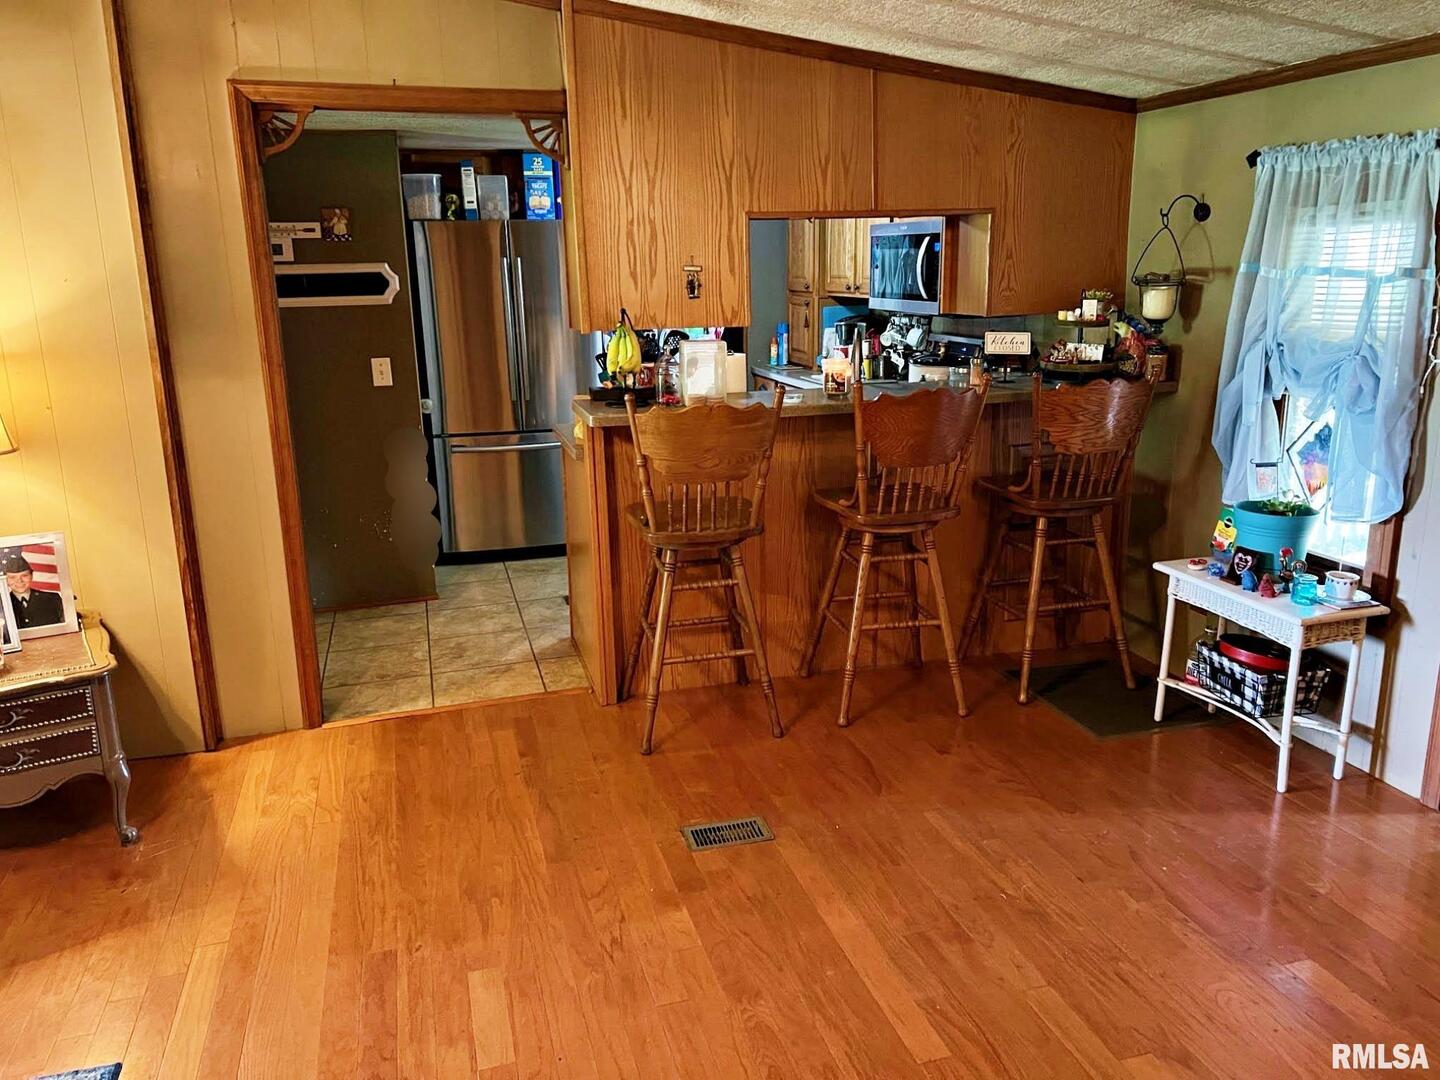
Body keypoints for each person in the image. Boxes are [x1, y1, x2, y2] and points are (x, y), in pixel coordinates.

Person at [3, 552, 64, 629]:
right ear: (5, 579)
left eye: (24, 575)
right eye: (12, 577)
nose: (19, 581)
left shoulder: (53, 599)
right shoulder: (2, 605)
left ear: (31, 576)